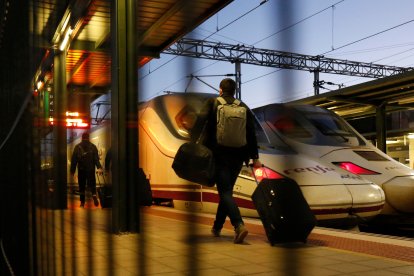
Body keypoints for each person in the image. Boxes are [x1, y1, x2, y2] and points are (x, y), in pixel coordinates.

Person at [192, 78, 262, 244]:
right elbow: (251, 134)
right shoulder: (243, 106)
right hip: (239, 156)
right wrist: (255, 157)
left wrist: (191, 144)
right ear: (235, 90)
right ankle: (217, 227)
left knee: (224, 192)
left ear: (220, 90)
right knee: (227, 192)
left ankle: (239, 225)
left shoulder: (213, 103)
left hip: (219, 155)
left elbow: (198, 124)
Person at [70, 132, 103, 208]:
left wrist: (72, 171)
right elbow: (96, 159)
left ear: (82, 138)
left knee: (82, 186)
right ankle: (94, 195)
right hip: (91, 169)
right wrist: (99, 167)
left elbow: (74, 160)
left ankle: (82, 202)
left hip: (81, 170)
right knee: (92, 184)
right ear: (88, 138)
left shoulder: (77, 147)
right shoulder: (93, 146)